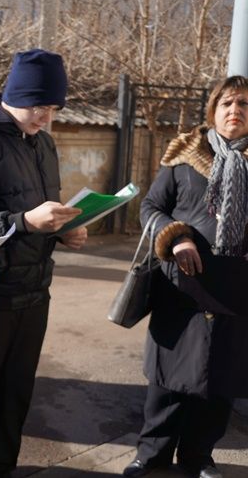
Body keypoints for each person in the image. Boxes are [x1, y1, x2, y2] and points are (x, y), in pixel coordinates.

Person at [0, 49, 88, 478]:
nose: (45, 116)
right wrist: (24, 221)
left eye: (53, 107)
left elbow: (44, 212)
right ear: (15, 96)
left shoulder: (44, 144)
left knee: (16, 398)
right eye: (38, 105)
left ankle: (0, 470)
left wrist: (62, 230)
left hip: (35, 291)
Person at [122, 76, 248, 478]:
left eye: (244, 104)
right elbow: (151, 208)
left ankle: (199, 456)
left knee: (220, 380)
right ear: (213, 111)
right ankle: (151, 454)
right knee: (167, 377)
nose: (235, 111)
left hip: (235, 289)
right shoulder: (185, 158)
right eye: (227, 103)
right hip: (182, 286)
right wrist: (176, 238)